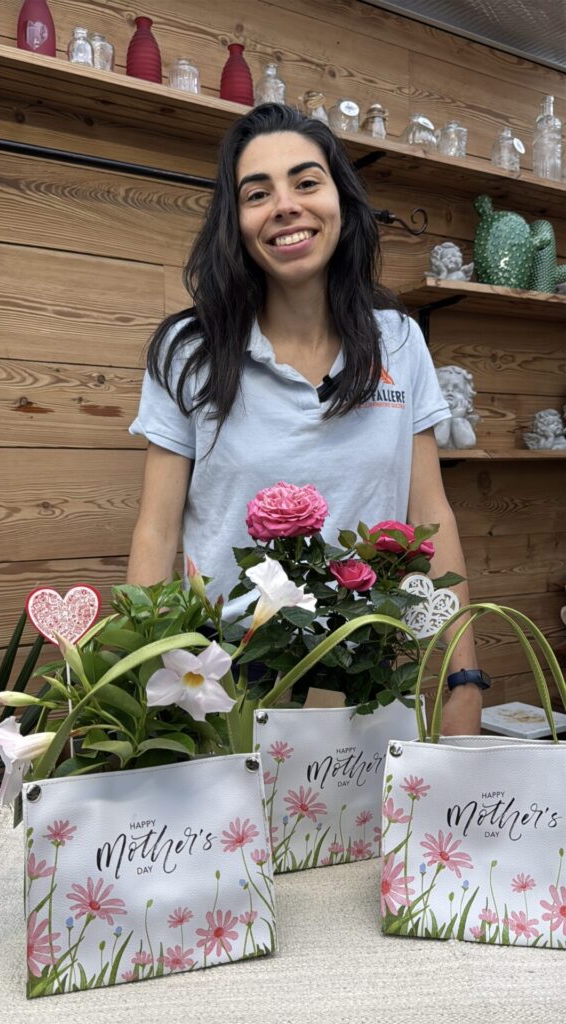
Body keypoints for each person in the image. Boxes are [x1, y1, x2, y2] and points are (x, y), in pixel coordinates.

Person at [128, 103, 484, 735]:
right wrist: (143, 688)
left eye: (306, 182)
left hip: (368, 675)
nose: (286, 206)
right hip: (223, 683)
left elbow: (431, 516)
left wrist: (464, 679)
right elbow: (156, 532)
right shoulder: (190, 352)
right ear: (235, 222)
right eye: (257, 193)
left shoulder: (399, 342)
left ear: (339, 200)